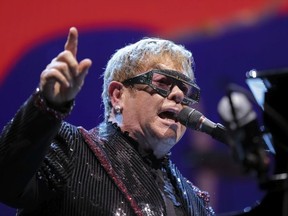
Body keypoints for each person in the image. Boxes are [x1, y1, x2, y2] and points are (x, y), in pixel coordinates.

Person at [0, 27, 215, 215]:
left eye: (186, 91)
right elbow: (6, 182)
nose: (178, 95)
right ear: (118, 95)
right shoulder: (70, 149)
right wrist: (47, 106)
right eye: (163, 82)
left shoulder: (195, 201)